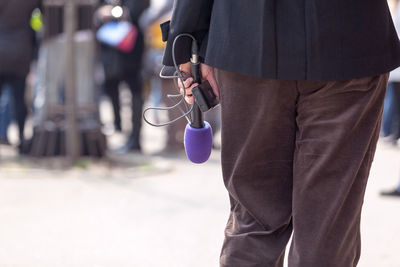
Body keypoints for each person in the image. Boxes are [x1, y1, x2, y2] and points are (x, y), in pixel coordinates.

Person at [161, 1, 400, 266]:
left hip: (248, 38)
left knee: (254, 219)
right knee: (328, 224)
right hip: (348, 39)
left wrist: (186, 39)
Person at [98, 0, 149, 152]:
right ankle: (118, 127)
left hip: (131, 48)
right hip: (111, 50)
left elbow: (137, 12)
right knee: (111, 88)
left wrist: (116, 10)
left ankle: (135, 139)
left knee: (135, 91)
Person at [0, 0, 41, 148]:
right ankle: (21, 137)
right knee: (19, 99)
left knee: (16, 99)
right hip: (21, 50)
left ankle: (7, 135)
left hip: (4, 48)